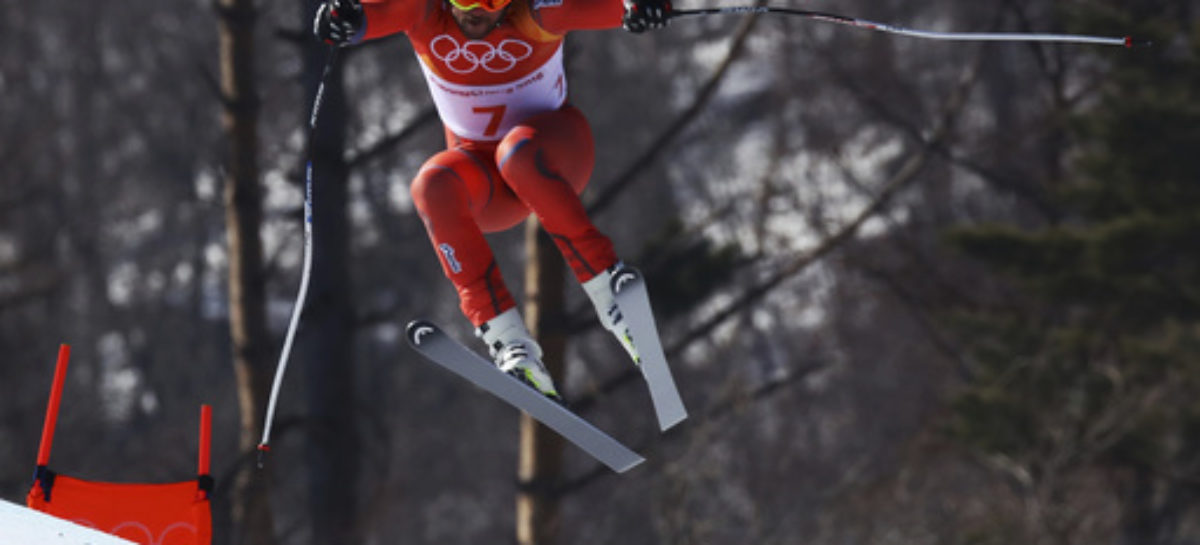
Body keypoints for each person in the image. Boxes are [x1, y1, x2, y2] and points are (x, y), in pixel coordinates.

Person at [314, 0, 672, 399]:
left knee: (516, 153)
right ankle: (508, 341)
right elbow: (369, 16)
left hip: (553, 155)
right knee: (431, 185)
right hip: (487, 184)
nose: (477, 12)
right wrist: (343, 19)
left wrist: (642, 8)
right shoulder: (424, 12)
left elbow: (615, 7)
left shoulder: (538, 13)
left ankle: (614, 301)